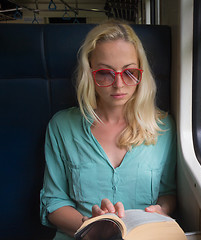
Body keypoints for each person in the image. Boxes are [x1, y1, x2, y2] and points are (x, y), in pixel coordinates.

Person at [40, 21, 177, 240]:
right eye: (105, 73)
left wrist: (162, 210)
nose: (119, 84)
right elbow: (54, 202)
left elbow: (168, 193)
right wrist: (91, 229)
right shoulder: (62, 126)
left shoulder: (163, 127)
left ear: (141, 74)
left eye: (130, 72)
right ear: (90, 74)